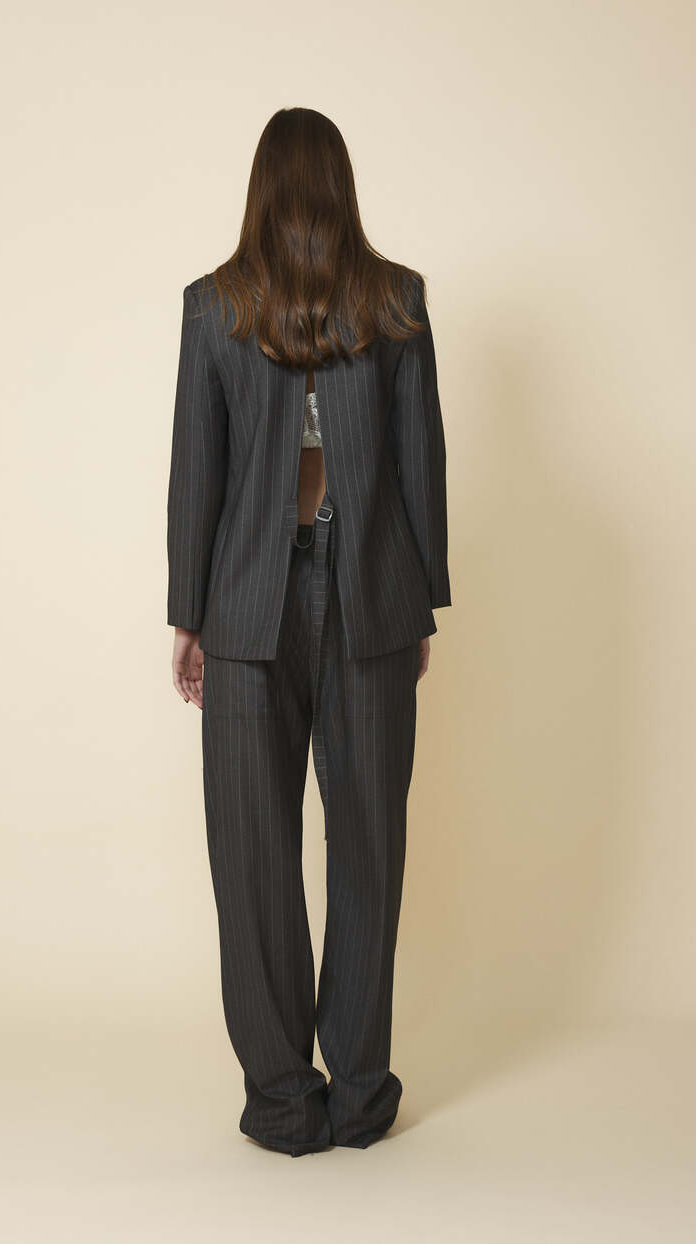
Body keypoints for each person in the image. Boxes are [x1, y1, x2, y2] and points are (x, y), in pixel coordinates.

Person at [166, 107, 451, 1156]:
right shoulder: (218, 308)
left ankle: (325, 1095)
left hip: (321, 595)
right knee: (313, 846)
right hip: (277, 599)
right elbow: (201, 466)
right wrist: (192, 611)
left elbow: (416, 458)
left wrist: (189, 618)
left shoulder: (390, 302)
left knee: (314, 846)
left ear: (262, 187)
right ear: (339, 183)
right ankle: (319, 1095)